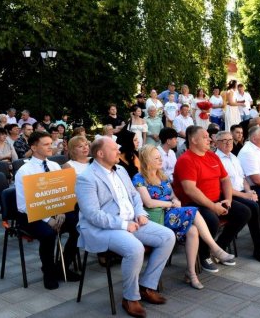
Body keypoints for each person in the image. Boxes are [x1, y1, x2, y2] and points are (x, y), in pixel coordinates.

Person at [76, 137, 174, 317]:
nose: (118, 151)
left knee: (168, 236)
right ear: (100, 153)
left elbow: (135, 195)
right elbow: (93, 215)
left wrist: (140, 213)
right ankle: (130, 297)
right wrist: (124, 224)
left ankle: (147, 286)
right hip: (105, 228)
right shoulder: (86, 178)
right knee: (135, 248)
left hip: (132, 221)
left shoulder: (120, 169)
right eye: (114, 149)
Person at [134, 145, 234, 289]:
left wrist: (176, 200)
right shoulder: (139, 178)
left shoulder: (162, 175)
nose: (160, 160)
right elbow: (148, 202)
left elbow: (173, 194)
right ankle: (214, 248)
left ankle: (191, 273)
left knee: (193, 231)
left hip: (171, 214)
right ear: (146, 160)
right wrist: (170, 204)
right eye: (156, 158)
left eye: (160, 157)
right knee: (194, 210)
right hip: (156, 218)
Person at [173, 125, 250, 273]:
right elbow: (190, 190)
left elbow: (225, 179)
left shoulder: (212, 155)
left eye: (209, 136)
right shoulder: (186, 160)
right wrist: (213, 207)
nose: (210, 139)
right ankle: (204, 256)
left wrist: (227, 199)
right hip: (193, 204)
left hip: (216, 199)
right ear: (194, 140)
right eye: (205, 137)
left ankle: (219, 247)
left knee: (244, 212)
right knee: (212, 219)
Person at [14, 131, 80, 290]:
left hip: (56, 210)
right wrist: (47, 219)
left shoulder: (54, 166)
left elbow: (62, 194)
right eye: (46, 144)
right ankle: (49, 271)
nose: (50, 147)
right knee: (48, 234)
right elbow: (23, 206)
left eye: (50, 143)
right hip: (32, 215)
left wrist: (62, 211)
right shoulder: (24, 171)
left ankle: (62, 266)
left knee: (79, 226)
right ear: (34, 147)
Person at [216, 131, 260, 263]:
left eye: (230, 140)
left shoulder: (234, 157)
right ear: (217, 143)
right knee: (253, 208)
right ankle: (258, 248)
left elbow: (243, 178)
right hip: (228, 195)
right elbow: (222, 187)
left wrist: (250, 192)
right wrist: (245, 195)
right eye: (224, 140)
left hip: (243, 191)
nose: (228, 143)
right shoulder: (217, 159)